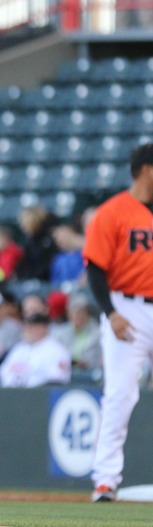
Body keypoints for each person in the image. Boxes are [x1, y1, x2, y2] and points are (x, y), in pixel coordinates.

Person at [83, 143, 153, 502]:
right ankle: (106, 480)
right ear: (147, 170)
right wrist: (111, 312)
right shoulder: (113, 213)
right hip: (128, 308)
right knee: (120, 395)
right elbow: (95, 268)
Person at [0, 311, 71, 389]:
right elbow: (1, 375)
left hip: (39, 397)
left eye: (33, 326)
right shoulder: (19, 349)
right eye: (27, 325)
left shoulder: (57, 350)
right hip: (9, 395)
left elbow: (58, 381)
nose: (28, 330)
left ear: (44, 328)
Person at [50, 294, 101, 371]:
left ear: (87, 313)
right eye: (74, 313)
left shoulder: (98, 333)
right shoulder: (61, 333)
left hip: (89, 372)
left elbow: (99, 358)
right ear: (69, 314)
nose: (78, 316)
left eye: (81, 312)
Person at [16, 205, 57, 282]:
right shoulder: (30, 241)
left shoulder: (48, 239)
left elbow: (47, 264)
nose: (23, 227)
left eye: (25, 223)